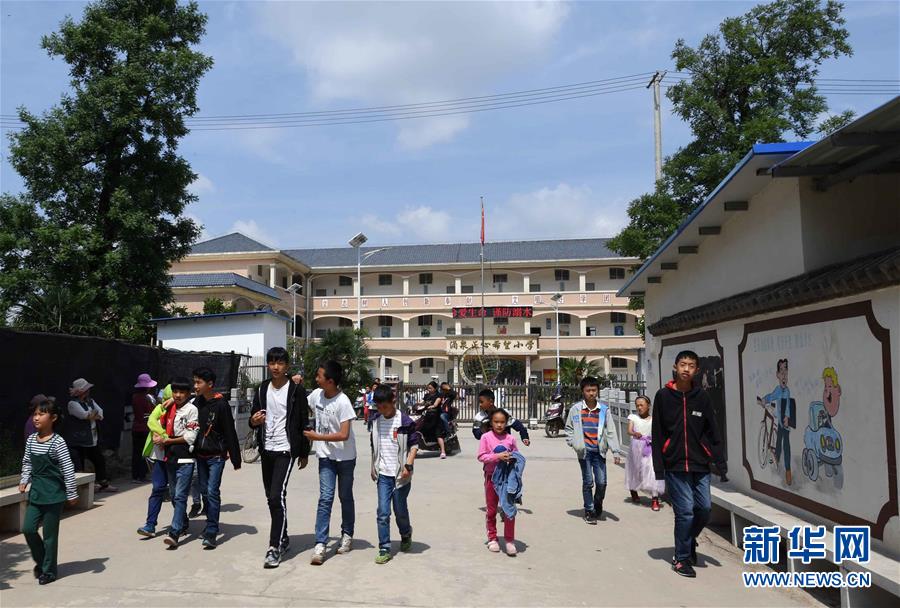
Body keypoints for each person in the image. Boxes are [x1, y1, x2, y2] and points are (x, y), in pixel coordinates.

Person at [652, 350, 727, 578]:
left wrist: (720, 462)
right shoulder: (663, 396)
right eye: (682, 364)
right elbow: (657, 432)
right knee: (685, 512)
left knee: (703, 510)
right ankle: (681, 558)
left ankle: (688, 539)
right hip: (674, 463)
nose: (686, 369)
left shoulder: (701, 397)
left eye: (691, 365)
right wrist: (659, 466)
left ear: (697, 370)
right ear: (675, 367)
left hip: (699, 463)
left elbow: (712, 429)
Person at [249, 347, 311, 569]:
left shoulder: (296, 390)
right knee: (271, 497)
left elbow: (304, 420)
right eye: (272, 362)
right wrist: (254, 421)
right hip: (267, 449)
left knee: (277, 496)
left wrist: (303, 451)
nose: (275, 367)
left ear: (287, 365)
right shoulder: (262, 388)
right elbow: (253, 417)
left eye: (280, 363)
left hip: (286, 449)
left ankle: (274, 547)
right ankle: (284, 538)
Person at [19, 397, 78, 585]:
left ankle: (49, 572)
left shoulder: (58, 442)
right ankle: (43, 561)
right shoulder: (31, 440)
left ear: (52, 418)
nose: (36, 418)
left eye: (41, 414)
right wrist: (24, 479)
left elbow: (68, 468)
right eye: (35, 414)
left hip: (54, 495)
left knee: (50, 536)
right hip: (36, 493)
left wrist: (71, 493)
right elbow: (27, 462)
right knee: (28, 529)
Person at [304, 360, 357, 565]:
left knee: (345, 496)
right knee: (325, 498)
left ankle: (347, 534)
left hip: (345, 458)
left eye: (319, 376)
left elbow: (344, 434)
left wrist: (316, 437)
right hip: (325, 457)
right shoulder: (317, 395)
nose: (316, 379)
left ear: (331, 381)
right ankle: (320, 543)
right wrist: (295, 384)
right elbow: (301, 401)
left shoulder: (343, 402)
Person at [369, 384, 420, 564]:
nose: (382, 410)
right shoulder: (375, 420)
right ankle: (384, 547)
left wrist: (408, 465)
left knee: (399, 510)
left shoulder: (405, 422)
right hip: (383, 473)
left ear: (393, 401)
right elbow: (374, 445)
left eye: (385, 406)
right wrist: (372, 466)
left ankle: (406, 533)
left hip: (401, 475)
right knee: (383, 512)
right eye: (378, 407)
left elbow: (414, 445)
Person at [192, 366, 242, 549]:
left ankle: (212, 531)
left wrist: (235, 457)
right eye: (194, 382)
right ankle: (209, 525)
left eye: (199, 382)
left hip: (216, 457)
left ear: (210, 384)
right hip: (200, 455)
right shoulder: (196, 403)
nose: (195, 385)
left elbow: (230, 430)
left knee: (212, 492)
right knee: (205, 490)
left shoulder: (221, 404)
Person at [149, 377, 200, 549]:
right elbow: (156, 422)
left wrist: (167, 441)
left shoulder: (192, 410)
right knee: (173, 495)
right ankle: (183, 521)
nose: (178, 395)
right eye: (175, 392)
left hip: (185, 459)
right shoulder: (168, 408)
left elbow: (190, 437)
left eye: (182, 392)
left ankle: (175, 532)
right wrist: (159, 437)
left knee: (179, 496)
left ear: (188, 394)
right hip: (169, 459)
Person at [564, 377, 621, 524]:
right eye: (588, 390)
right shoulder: (576, 409)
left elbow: (611, 431)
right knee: (588, 481)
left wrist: (615, 450)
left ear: (598, 391)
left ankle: (597, 503)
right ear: (583, 391)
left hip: (599, 452)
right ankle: (589, 510)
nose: (591, 393)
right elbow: (569, 428)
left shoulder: (604, 410)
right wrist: (574, 442)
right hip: (584, 452)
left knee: (601, 482)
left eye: (594, 390)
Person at [136, 381, 177, 538]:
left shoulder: (185, 411)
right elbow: (151, 421)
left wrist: (166, 439)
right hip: (159, 458)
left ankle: (181, 522)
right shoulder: (159, 409)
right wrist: (161, 433)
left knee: (175, 493)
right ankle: (150, 525)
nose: (165, 400)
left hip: (176, 459)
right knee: (157, 489)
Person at [477, 408, 519, 555]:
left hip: (508, 480)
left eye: (502, 422)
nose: (499, 425)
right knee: (492, 510)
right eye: (496, 422)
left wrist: (513, 459)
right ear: (491, 422)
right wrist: (497, 457)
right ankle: (492, 538)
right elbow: (481, 456)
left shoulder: (511, 439)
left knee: (509, 510)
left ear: (506, 423)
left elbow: (517, 456)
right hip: (491, 478)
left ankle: (509, 540)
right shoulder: (486, 437)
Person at [67, 378, 117, 492]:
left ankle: (103, 483)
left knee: (99, 460)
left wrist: (93, 415)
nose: (88, 391)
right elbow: (84, 415)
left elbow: (101, 413)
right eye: (86, 389)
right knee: (79, 464)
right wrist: (92, 415)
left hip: (92, 438)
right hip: (79, 440)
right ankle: (81, 488)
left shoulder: (90, 401)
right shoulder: (72, 404)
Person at [756, 359, 794, 485]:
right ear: (777, 375)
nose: (784, 374)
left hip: (785, 422)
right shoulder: (778, 389)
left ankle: (788, 471)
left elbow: (787, 405)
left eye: (785, 371)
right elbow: (771, 396)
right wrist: (764, 400)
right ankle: (775, 459)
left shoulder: (786, 391)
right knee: (778, 442)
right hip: (780, 419)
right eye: (781, 371)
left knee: (785, 444)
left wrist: (787, 417)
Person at [625, 395, 664, 511]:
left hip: (651, 447)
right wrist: (634, 434)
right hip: (637, 447)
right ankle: (633, 490)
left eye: (642, 405)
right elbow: (629, 430)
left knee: (652, 471)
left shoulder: (654, 419)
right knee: (636, 470)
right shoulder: (633, 417)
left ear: (648, 406)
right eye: (637, 405)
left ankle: (655, 498)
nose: (639, 407)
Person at [131, 373, 158, 484]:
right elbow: (152, 411)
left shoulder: (135, 397)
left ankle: (135, 475)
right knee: (145, 453)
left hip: (136, 427)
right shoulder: (147, 398)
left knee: (136, 453)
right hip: (145, 428)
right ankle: (141, 475)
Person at [420, 381, 447, 459]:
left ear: (435, 388)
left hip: (436, 417)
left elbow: (436, 403)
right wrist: (417, 405)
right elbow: (421, 402)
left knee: (438, 434)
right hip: (428, 416)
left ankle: (443, 452)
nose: (429, 389)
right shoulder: (426, 395)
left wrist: (432, 406)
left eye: (430, 388)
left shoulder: (438, 395)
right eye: (428, 388)